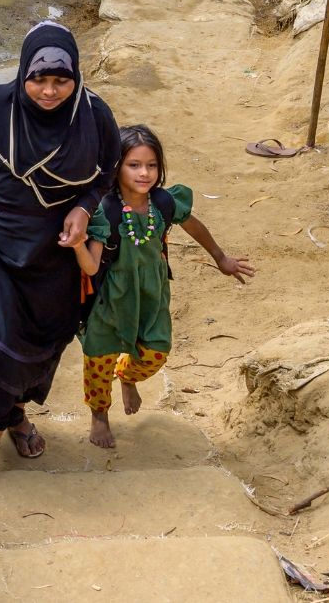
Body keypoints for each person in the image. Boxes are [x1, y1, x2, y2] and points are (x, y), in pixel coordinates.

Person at [0, 22, 122, 472]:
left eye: (61, 80)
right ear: (23, 74)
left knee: (38, 343)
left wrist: (83, 207)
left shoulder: (94, 115)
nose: (50, 91)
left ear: (76, 77)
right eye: (40, 79)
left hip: (52, 252)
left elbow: (107, 169)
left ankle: (15, 416)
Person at [70, 125, 254, 450]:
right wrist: (77, 245)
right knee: (100, 358)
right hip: (111, 298)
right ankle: (99, 415)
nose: (145, 173)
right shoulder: (104, 210)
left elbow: (193, 224)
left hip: (152, 293)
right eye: (134, 165)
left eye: (151, 165)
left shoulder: (164, 203)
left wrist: (221, 257)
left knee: (156, 352)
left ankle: (127, 377)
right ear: (117, 167)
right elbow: (92, 265)